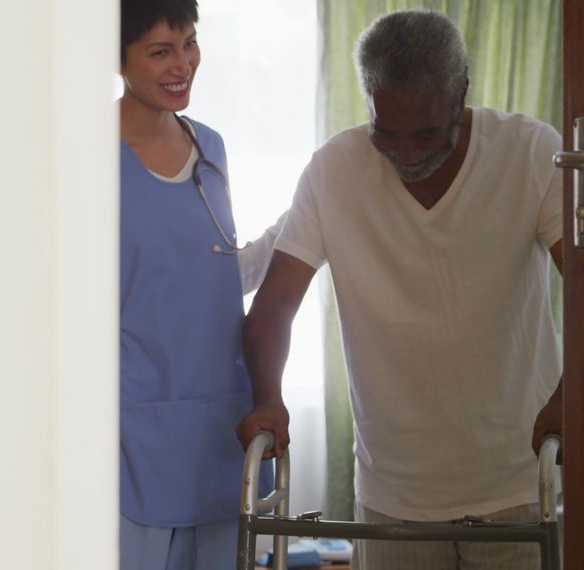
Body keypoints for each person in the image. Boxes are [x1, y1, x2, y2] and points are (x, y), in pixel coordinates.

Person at [235, 10, 563, 570]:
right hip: (393, 496)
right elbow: (273, 306)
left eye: (426, 134)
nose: (407, 154)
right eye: (387, 134)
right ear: (367, 99)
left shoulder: (529, 153)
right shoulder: (333, 170)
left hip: (515, 482)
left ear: (462, 91)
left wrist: (571, 393)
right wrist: (268, 394)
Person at [118, 0, 280, 568]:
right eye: (160, 51)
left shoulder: (210, 149)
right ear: (118, 59)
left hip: (217, 430)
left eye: (189, 43)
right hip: (132, 436)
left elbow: (214, 279)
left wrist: (303, 221)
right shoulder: (86, 155)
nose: (181, 64)